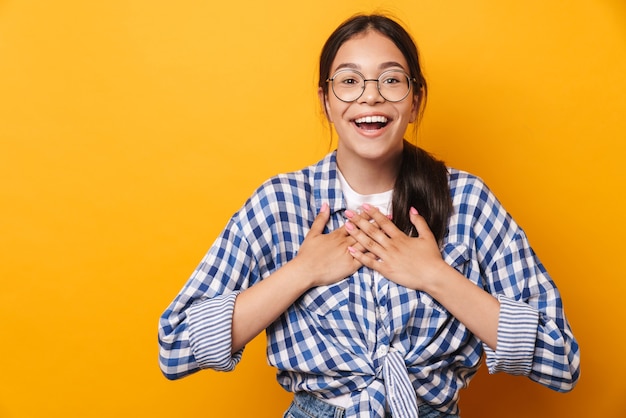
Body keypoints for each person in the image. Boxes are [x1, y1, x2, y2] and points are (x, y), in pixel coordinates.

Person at [158, 13, 580, 418]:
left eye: (391, 80)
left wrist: (435, 275)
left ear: (415, 101)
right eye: (349, 81)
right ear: (325, 101)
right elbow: (175, 347)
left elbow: (560, 360)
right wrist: (301, 272)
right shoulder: (281, 203)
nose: (370, 96)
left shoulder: (466, 201)